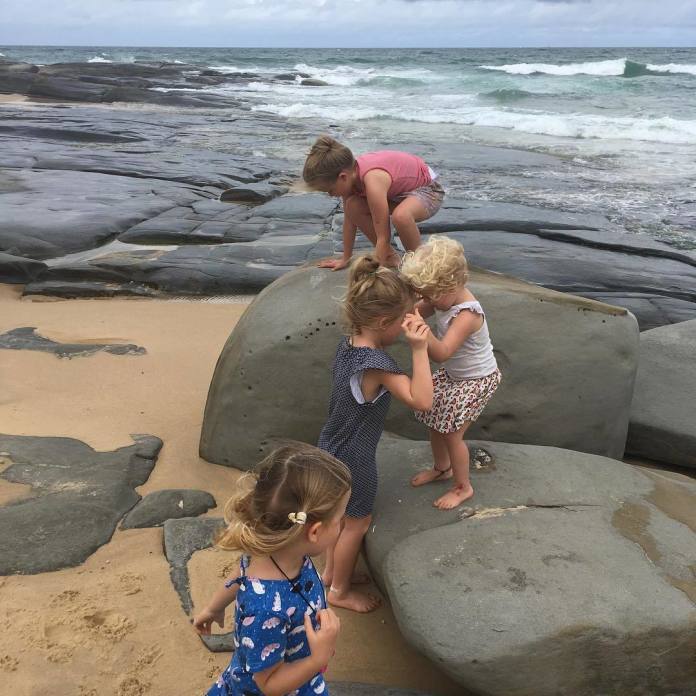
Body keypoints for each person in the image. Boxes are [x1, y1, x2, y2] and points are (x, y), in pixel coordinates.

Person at [318, 255, 433, 612]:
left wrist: (416, 304)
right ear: (384, 321)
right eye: (402, 321)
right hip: (355, 457)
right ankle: (338, 591)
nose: (406, 326)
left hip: (331, 444)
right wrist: (420, 349)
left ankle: (328, 574)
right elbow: (422, 401)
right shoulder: (378, 366)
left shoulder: (350, 344)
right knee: (356, 523)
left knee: (335, 518)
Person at [193, 442, 351, 696]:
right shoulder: (267, 610)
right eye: (340, 518)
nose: (342, 524)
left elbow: (239, 574)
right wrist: (316, 660)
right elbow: (268, 685)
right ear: (315, 531)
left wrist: (214, 607)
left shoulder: (271, 549)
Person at [400, 236, 501, 510]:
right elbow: (417, 309)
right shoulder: (442, 297)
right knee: (435, 420)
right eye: (425, 294)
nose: (429, 300)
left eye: (433, 294)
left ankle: (463, 486)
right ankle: (442, 468)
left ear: (455, 284)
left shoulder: (467, 314)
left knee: (453, 433)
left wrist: (422, 330)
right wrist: (406, 310)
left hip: (477, 378)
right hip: (456, 375)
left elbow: (442, 352)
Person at [303, 135, 444, 269]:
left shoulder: (373, 180)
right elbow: (350, 221)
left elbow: (383, 235)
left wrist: (377, 269)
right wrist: (345, 258)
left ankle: (418, 265)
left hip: (429, 191)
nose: (330, 195)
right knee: (352, 206)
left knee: (401, 216)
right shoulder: (350, 177)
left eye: (330, 190)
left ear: (343, 177)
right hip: (399, 195)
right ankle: (390, 257)